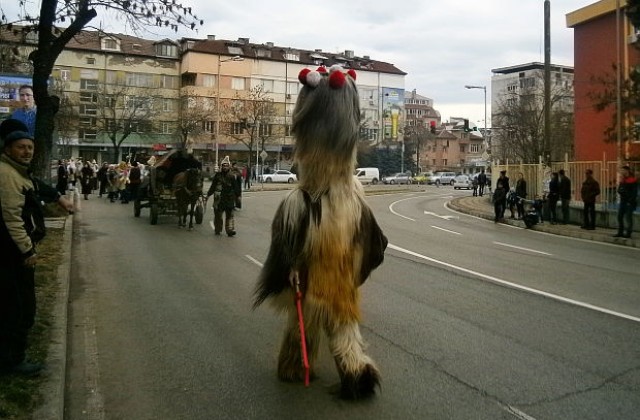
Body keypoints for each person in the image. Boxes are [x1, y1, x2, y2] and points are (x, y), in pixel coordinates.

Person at [0, 121, 73, 376]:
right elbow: (11, 218)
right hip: (11, 253)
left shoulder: (18, 171)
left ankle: (12, 355)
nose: (27, 152)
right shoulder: (7, 175)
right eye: (21, 147)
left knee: (18, 306)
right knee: (18, 308)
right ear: (8, 149)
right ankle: (11, 362)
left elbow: (37, 184)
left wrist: (58, 198)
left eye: (30, 147)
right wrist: (27, 251)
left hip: (14, 252)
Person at [206, 156, 241, 236]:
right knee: (218, 216)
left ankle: (230, 230)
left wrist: (238, 196)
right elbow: (213, 186)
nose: (225, 167)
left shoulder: (232, 176)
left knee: (230, 216)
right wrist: (208, 195)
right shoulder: (217, 176)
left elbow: (236, 187)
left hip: (229, 198)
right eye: (223, 166)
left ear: (229, 166)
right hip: (219, 199)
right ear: (221, 166)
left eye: (226, 166)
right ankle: (218, 229)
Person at [614, 165, 638, 238]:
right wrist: (622, 191)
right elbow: (619, 190)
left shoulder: (632, 180)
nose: (621, 172)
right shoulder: (623, 180)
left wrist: (630, 200)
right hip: (623, 201)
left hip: (629, 202)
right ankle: (620, 232)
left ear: (627, 171)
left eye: (623, 171)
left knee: (628, 217)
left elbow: (634, 193)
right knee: (620, 216)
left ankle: (628, 232)